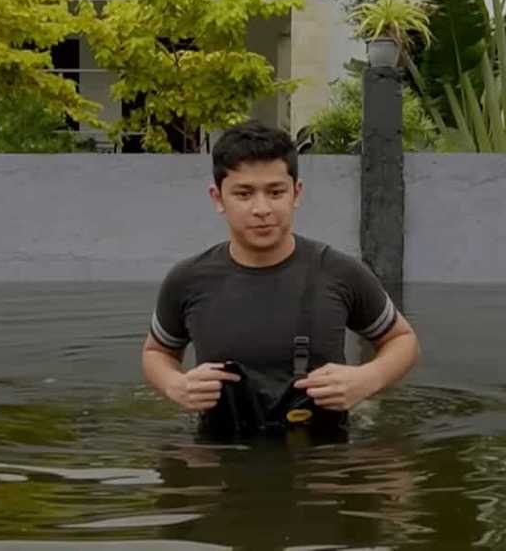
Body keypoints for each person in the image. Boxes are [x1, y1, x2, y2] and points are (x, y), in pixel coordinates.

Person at [140, 120, 419, 437]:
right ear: (218, 198)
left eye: (275, 192)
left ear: (295, 193)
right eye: (244, 194)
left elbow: (402, 340)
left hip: (324, 463)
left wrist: (367, 378)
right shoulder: (187, 280)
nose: (262, 208)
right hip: (219, 460)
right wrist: (176, 384)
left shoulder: (340, 272)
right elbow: (157, 353)